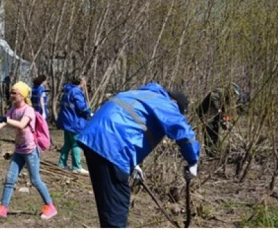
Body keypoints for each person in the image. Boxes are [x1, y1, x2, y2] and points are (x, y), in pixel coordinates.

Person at [77, 82, 200, 228]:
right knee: (116, 209)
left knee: (109, 204)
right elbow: (183, 131)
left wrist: (132, 164)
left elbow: (126, 121)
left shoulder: (141, 95)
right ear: (174, 102)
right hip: (113, 147)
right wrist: (193, 161)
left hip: (93, 140)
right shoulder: (166, 103)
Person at [0, 81, 57, 221]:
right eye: (11, 92)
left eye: (15, 93)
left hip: (30, 150)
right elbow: (1, 126)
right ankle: (3, 209)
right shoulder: (13, 110)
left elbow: (22, 124)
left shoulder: (28, 110)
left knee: (35, 180)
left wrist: (6, 119)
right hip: (19, 150)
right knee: (9, 179)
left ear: (23, 95)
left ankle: (50, 207)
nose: (12, 95)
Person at [56, 77, 92, 174]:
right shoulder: (76, 92)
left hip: (66, 121)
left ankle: (61, 163)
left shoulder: (67, 90)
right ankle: (76, 167)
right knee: (76, 143)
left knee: (67, 143)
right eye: (84, 82)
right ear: (81, 82)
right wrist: (88, 112)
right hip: (74, 122)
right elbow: (81, 107)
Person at [196, 83, 241, 157]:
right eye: (234, 93)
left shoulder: (227, 97)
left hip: (213, 115)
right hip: (206, 114)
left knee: (215, 132)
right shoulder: (220, 91)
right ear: (231, 90)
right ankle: (211, 153)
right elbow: (213, 97)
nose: (234, 95)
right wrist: (218, 109)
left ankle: (215, 151)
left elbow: (224, 109)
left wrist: (225, 120)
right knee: (210, 132)